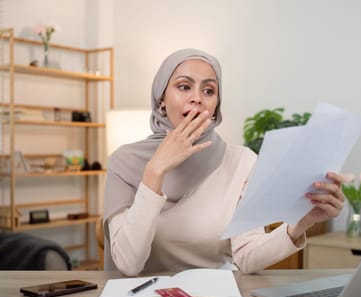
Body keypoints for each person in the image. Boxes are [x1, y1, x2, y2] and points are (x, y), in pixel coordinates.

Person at [103, 48, 344, 276]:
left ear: (216, 105)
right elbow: (129, 264)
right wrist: (155, 171)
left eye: (208, 91)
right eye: (184, 87)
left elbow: (246, 255)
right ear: (161, 100)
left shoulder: (242, 161)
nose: (197, 98)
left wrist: (301, 222)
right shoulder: (124, 162)